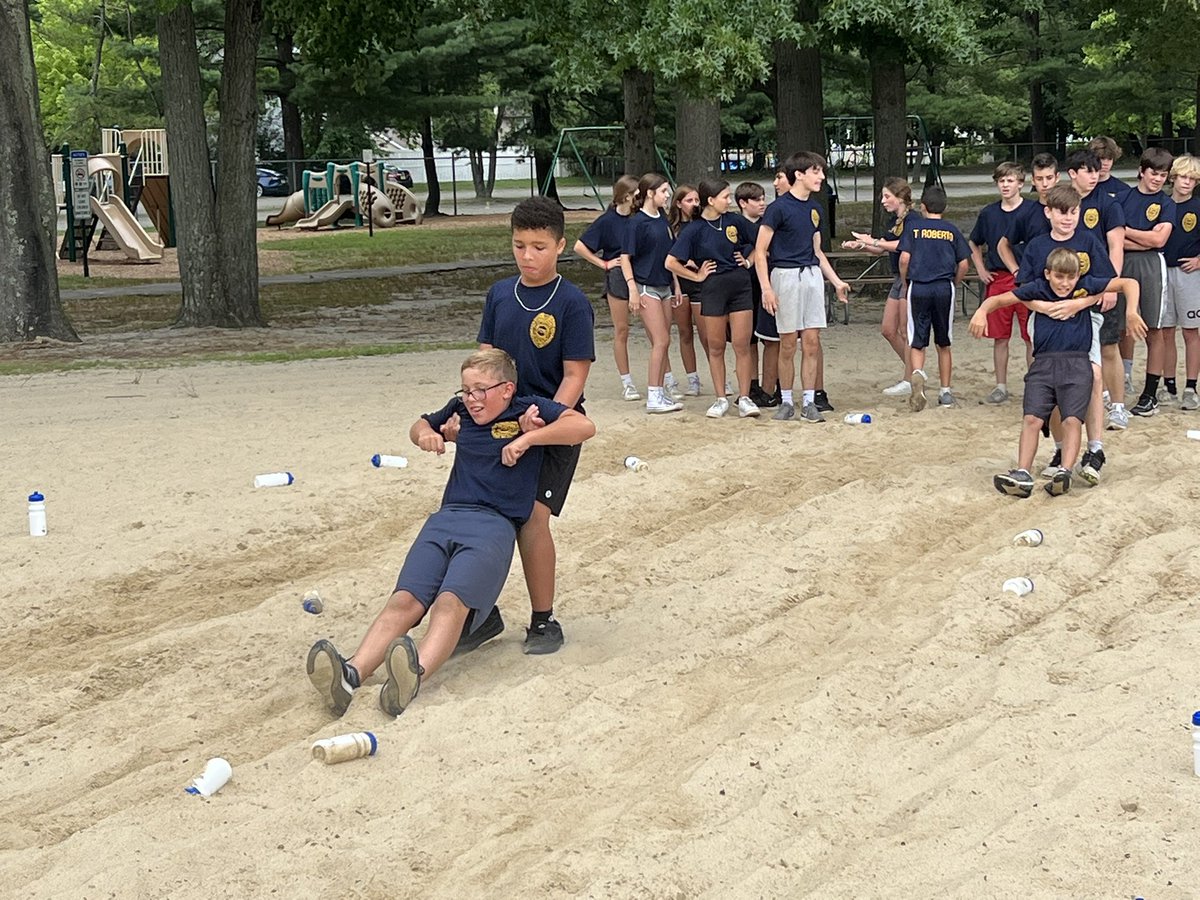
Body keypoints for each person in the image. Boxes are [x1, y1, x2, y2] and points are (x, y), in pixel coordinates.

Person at [306, 350, 596, 718]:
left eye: (479, 391)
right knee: (404, 601)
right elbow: (418, 425)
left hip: (493, 526)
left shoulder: (529, 410)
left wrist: (529, 440)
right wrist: (427, 434)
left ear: (507, 389)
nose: (470, 399)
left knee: (449, 603)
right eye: (465, 391)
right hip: (444, 520)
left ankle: (413, 674)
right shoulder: (459, 413)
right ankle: (351, 673)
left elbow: (584, 427)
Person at [472, 196, 595, 654]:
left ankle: (543, 620)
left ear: (561, 246)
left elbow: (575, 375)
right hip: (501, 425)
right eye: (520, 245)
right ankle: (478, 616)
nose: (528, 256)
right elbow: (487, 360)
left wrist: (543, 424)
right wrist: (477, 408)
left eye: (539, 246)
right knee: (485, 516)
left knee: (532, 519)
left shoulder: (572, 303)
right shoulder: (500, 294)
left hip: (552, 427)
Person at [1009, 183, 1146, 484]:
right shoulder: (1036, 246)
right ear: (1048, 213)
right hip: (1043, 321)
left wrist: (1078, 304)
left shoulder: (1088, 240)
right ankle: (1060, 450)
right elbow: (1023, 292)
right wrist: (1044, 308)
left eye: (1073, 212)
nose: (1068, 218)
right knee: (1051, 385)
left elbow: (1107, 283)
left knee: (1094, 376)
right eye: (1061, 212)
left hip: (1083, 319)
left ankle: (1095, 448)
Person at [973, 250, 1138, 498]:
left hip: (1077, 363)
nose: (1065, 283)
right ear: (1048, 274)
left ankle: (1065, 471)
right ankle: (1022, 473)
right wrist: (981, 311)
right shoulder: (1037, 288)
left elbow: (1129, 282)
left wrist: (1131, 311)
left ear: (1078, 276)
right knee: (1031, 418)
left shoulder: (1085, 286)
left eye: (1070, 278)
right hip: (1043, 364)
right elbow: (998, 299)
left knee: (1072, 419)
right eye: (1059, 277)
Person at [753, 152, 851, 423]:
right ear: (800, 174)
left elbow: (818, 252)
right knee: (787, 344)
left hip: (810, 277)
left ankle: (809, 401)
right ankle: (786, 400)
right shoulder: (778, 209)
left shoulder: (816, 209)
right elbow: (760, 252)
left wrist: (836, 281)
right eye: (816, 171)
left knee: (811, 341)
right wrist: (766, 289)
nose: (821, 177)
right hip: (784, 276)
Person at [666, 179, 761, 418]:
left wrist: (749, 260)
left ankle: (745, 397)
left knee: (742, 344)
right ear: (711, 200)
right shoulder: (694, 229)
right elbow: (670, 262)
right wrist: (696, 276)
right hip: (712, 289)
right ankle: (720, 398)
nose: (729, 201)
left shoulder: (735, 221)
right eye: (725, 197)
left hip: (740, 287)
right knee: (716, 346)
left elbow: (762, 240)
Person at [1066, 148, 1129, 429]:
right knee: (1073, 349)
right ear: (1072, 174)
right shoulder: (1061, 202)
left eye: (1096, 171)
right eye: (1088, 171)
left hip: (1100, 285)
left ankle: (1117, 407)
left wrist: (1110, 286)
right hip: (1068, 287)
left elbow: (1116, 247)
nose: (1094, 176)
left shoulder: (1108, 203)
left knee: (1108, 347)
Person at [897, 186, 969, 411]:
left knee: (917, 339)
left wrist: (905, 280)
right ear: (944, 208)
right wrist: (954, 282)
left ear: (923, 207)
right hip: (943, 287)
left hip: (919, 286)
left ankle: (917, 376)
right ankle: (945, 391)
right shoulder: (951, 230)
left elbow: (904, 259)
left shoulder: (914, 229)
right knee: (943, 341)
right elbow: (964, 263)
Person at [844, 176, 916, 397]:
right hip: (897, 277)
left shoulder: (913, 219)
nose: (883, 201)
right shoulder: (894, 221)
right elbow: (884, 247)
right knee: (888, 330)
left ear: (901, 197)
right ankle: (916, 370)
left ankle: (910, 377)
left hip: (910, 277)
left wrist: (873, 241)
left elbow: (902, 245)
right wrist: (862, 244)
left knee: (905, 331)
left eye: (887, 196)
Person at [621, 173, 686, 414]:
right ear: (650, 193)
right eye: (664, 191)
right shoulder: (636, 223)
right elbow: (625, 258)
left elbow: (670, 257)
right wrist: (632, 290)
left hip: (665, 286)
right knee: (660, 340)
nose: (668, 195)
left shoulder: (662, 219)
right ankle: (653, 395)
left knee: (664, 340)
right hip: (646, 286)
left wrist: (676, 284)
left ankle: (659, 392)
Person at [969, 162, 1033, 404]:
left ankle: (1033, 383)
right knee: (1000, 336)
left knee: (1031, 336)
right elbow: (974, 242)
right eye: (1002, 181)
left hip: (1027, 278)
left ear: (1020, 183)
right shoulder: (989, 213)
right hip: (998, 277)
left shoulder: (1032, 210)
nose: (1006, 185)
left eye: (1010, 180)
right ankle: (1001, 385)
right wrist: (981, 268)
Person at [574, 175, 641, 401]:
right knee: (622, 329)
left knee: (657, 331)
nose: (639, 201)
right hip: (618, 277)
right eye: (636, 196)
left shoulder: (639, 218)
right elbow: (580, 247)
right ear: (626, 196)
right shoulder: (607, 221)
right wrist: (603, 263)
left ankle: (665, 380)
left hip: (642, 274)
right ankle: (627, 382)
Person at [1122, 147, 1176, 417]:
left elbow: (1159, 241)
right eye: (1153, 173)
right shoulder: (1122, 198)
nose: (1157, 179)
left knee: (1154, 328)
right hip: (1122, 263)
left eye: (1163, 175)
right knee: (1121, 326)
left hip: (1153, 265)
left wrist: (1128, 232)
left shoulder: (1167, 204)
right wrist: (1144, 237)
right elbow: (1112, 236)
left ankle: (1150, 394)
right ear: (1142, 171)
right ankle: (1120, 383)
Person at [1161, 153, 1200, 410]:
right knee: (1165, 332)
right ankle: (1169, 385)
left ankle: (1191, 387)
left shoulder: (1198, 206)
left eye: (1192, 178)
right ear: (1173, 177)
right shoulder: (1161, 204)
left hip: (1189, 274)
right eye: (1182, 177)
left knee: (1190, 331)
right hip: (1162, 273)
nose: (1186, 182)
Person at [735, 180, 778, 407]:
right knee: (748, 339)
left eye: (763, 199)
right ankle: (751, 384)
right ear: (743, 203)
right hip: (746, 288)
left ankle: (773, 385)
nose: (762, 203)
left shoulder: (768, 223)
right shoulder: (736, 225)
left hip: (769, 285)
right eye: (757, 200)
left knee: (772, 337)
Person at [666, 184, 705, 398]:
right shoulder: (671, 227)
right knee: (685, 332)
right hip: (679, 283)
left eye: (696, 200)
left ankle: (721, 376)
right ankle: (693, 378)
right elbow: (669, 258)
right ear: (679, 203)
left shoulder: (703, 224)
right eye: (689, 201)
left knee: (707, 333)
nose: (694, 205)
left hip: (700, 281)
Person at [1090, 136, 1132, 201]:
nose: (1106, 163)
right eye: (1102, 158)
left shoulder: (1123, 189)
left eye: (1109, 159)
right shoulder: (1081, 187)